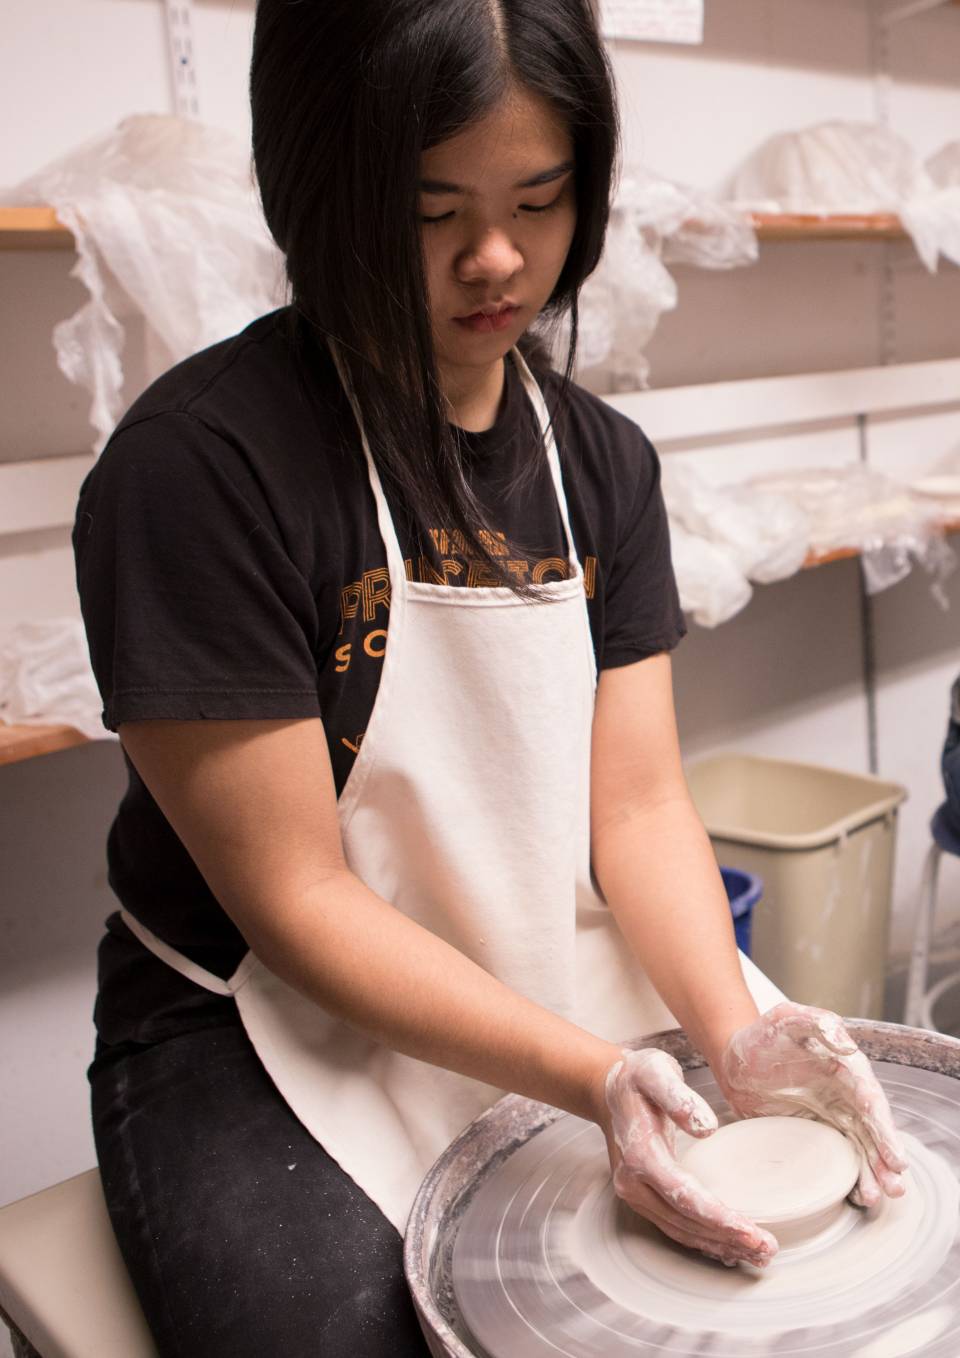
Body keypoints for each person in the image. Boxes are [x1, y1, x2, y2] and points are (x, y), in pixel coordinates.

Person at [73, 2, 906, 1354]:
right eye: (429, 208)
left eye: (541, 196)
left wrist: (728, 1028)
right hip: (263, 1027)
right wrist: (592, 1076)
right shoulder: (203, 471)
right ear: (320, 185)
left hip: (526, 959)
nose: (498, 258)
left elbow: (635, 814)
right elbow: (296, 896)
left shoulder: (603, 464)